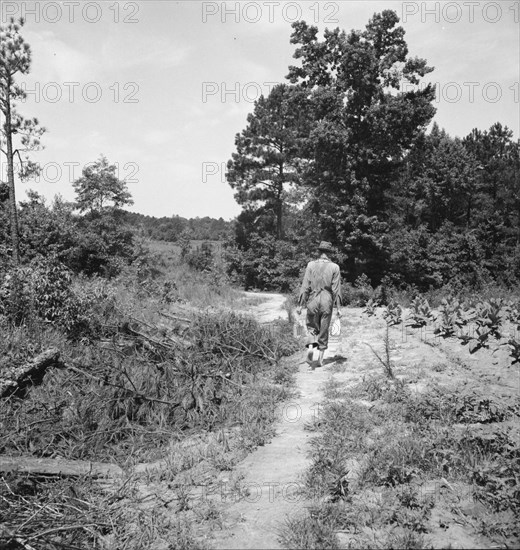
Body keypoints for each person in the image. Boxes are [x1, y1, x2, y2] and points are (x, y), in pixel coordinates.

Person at [296, 241, 342, 369]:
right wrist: (338, 308)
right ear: (329, 253)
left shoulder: (310, 265)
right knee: (323, 330)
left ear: (319, 252)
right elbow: (336, 289)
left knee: (311, 330)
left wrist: (300, 305)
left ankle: (310, 358)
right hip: (327, 301)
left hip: (312, 300)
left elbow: (305, 286)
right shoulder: (335, 267)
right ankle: (320, 361)